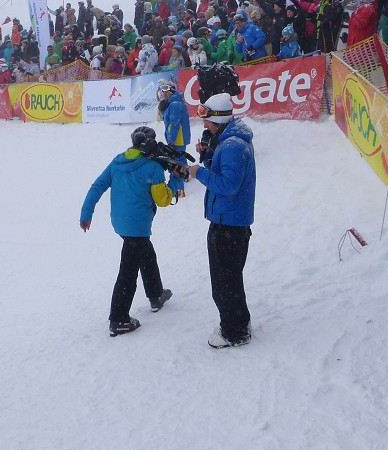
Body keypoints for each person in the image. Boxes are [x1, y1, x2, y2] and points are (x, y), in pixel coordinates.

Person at [79, 126, 177, 337]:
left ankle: (156, 294)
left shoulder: (118, 161)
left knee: (146, 255)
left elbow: (98, 186)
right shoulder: (153, 168)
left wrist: (86, 213)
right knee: (128, 272)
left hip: (121, 223)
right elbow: (163, 200)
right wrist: (175, 181)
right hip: (138, 226)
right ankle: (119, 319)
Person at [188, 92, 256, 348]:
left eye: (207, 121)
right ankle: (238, 322)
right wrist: (207, 154)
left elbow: (228, 185)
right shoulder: (228, 143)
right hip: (229, 220)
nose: (205, 126)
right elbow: (223, 172)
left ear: (219, 119)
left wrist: (199, 173)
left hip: (229, 222)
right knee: (230, 277)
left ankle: (234, 331)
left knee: (224, 282)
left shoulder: (233, 146)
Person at [156, 79, 190, 195]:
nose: (163, 94)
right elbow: (165, 119)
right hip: (177, 138)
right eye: (162, 91)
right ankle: (186, 174)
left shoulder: (175, 105)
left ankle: (180, 189)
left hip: (177, 139)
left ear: (171, 92)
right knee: (180, 157)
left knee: (176, 161)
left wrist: (171, 141)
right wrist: (162, 109)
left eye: (166, 91)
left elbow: (174, 124)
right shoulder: (172, 103)